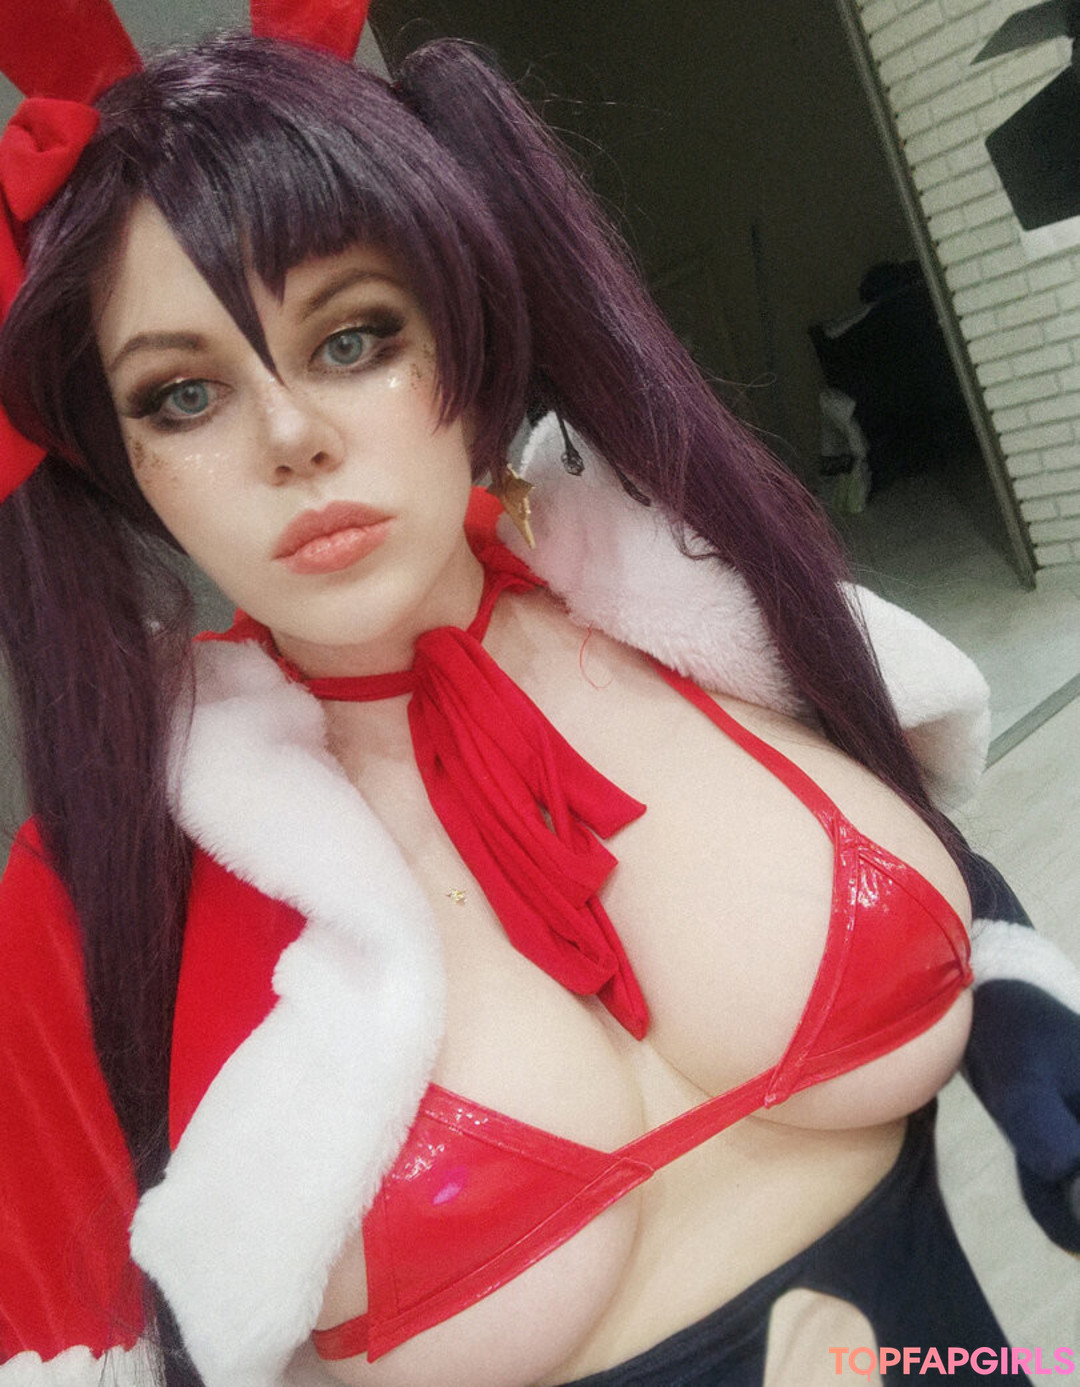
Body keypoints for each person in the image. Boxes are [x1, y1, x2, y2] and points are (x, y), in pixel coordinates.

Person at [0, 5, 1078, 1386]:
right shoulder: (106, 888)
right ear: (117, 458)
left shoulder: (696, 597)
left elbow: (916, 846)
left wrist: (1033, 1034)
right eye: (182, 397)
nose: (292, 436)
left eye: (353, 338)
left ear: (463, 328)